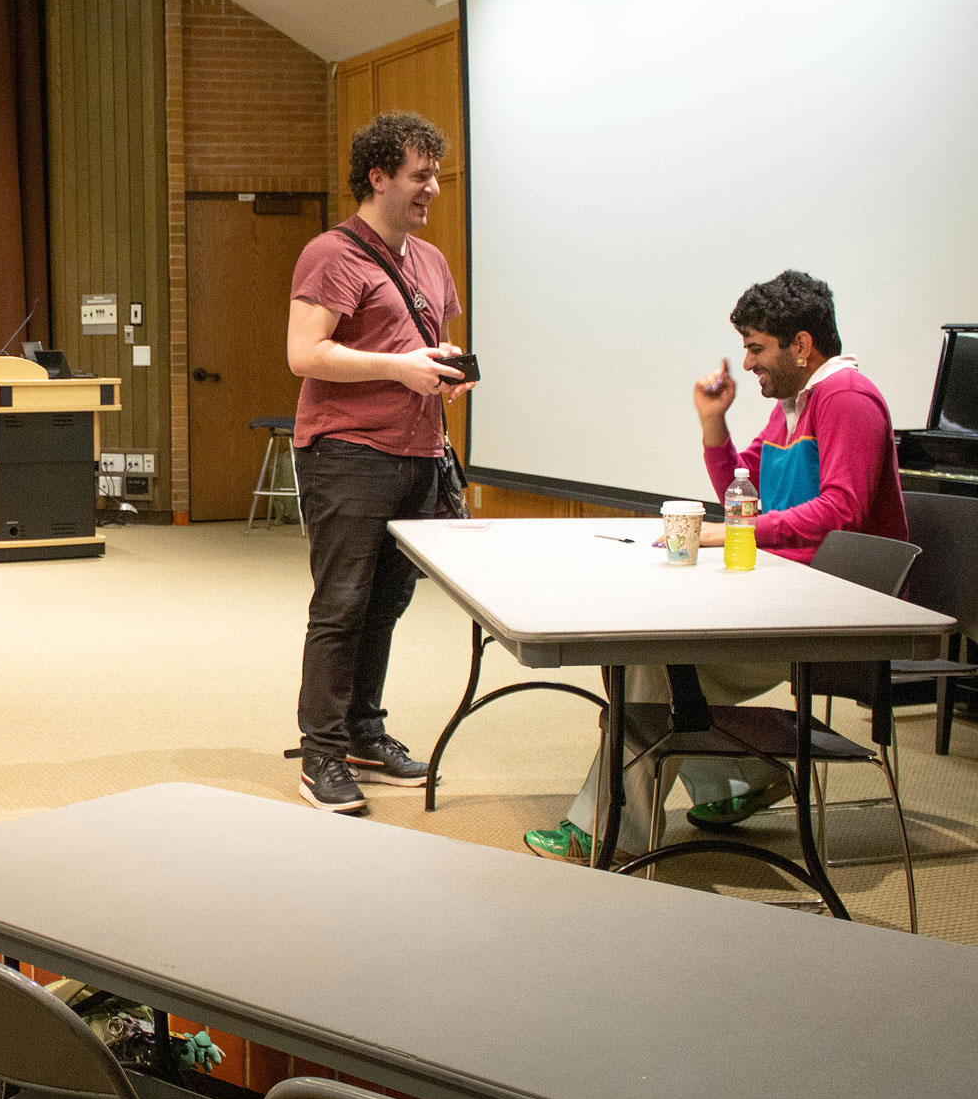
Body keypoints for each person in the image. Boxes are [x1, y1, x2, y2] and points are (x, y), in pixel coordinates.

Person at [524, 270, 909, 862]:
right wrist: (713, 422)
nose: (749, 363)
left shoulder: (846, 399)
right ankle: (741, 783)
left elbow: (843, 510)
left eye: (757, 348)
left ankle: (605, 834)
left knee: (651, 668)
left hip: (837, 618)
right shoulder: (794, 405)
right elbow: (741, 490)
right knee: (644, 659)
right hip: (788, 596)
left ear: (801, 346)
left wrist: (734, 532)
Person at [285, 111, 472, 815]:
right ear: (379, 175)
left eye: (435, 176)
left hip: (419, 452)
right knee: (342, 605)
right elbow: (305, 355)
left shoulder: (431, 261)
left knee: (388, 603)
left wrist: (449, 372)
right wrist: (400, 369)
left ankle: (364, 733)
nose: (432, 190)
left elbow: (429, 350)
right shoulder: (330, 254)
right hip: (347, 451)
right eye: (421, 176)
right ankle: (321, 754)